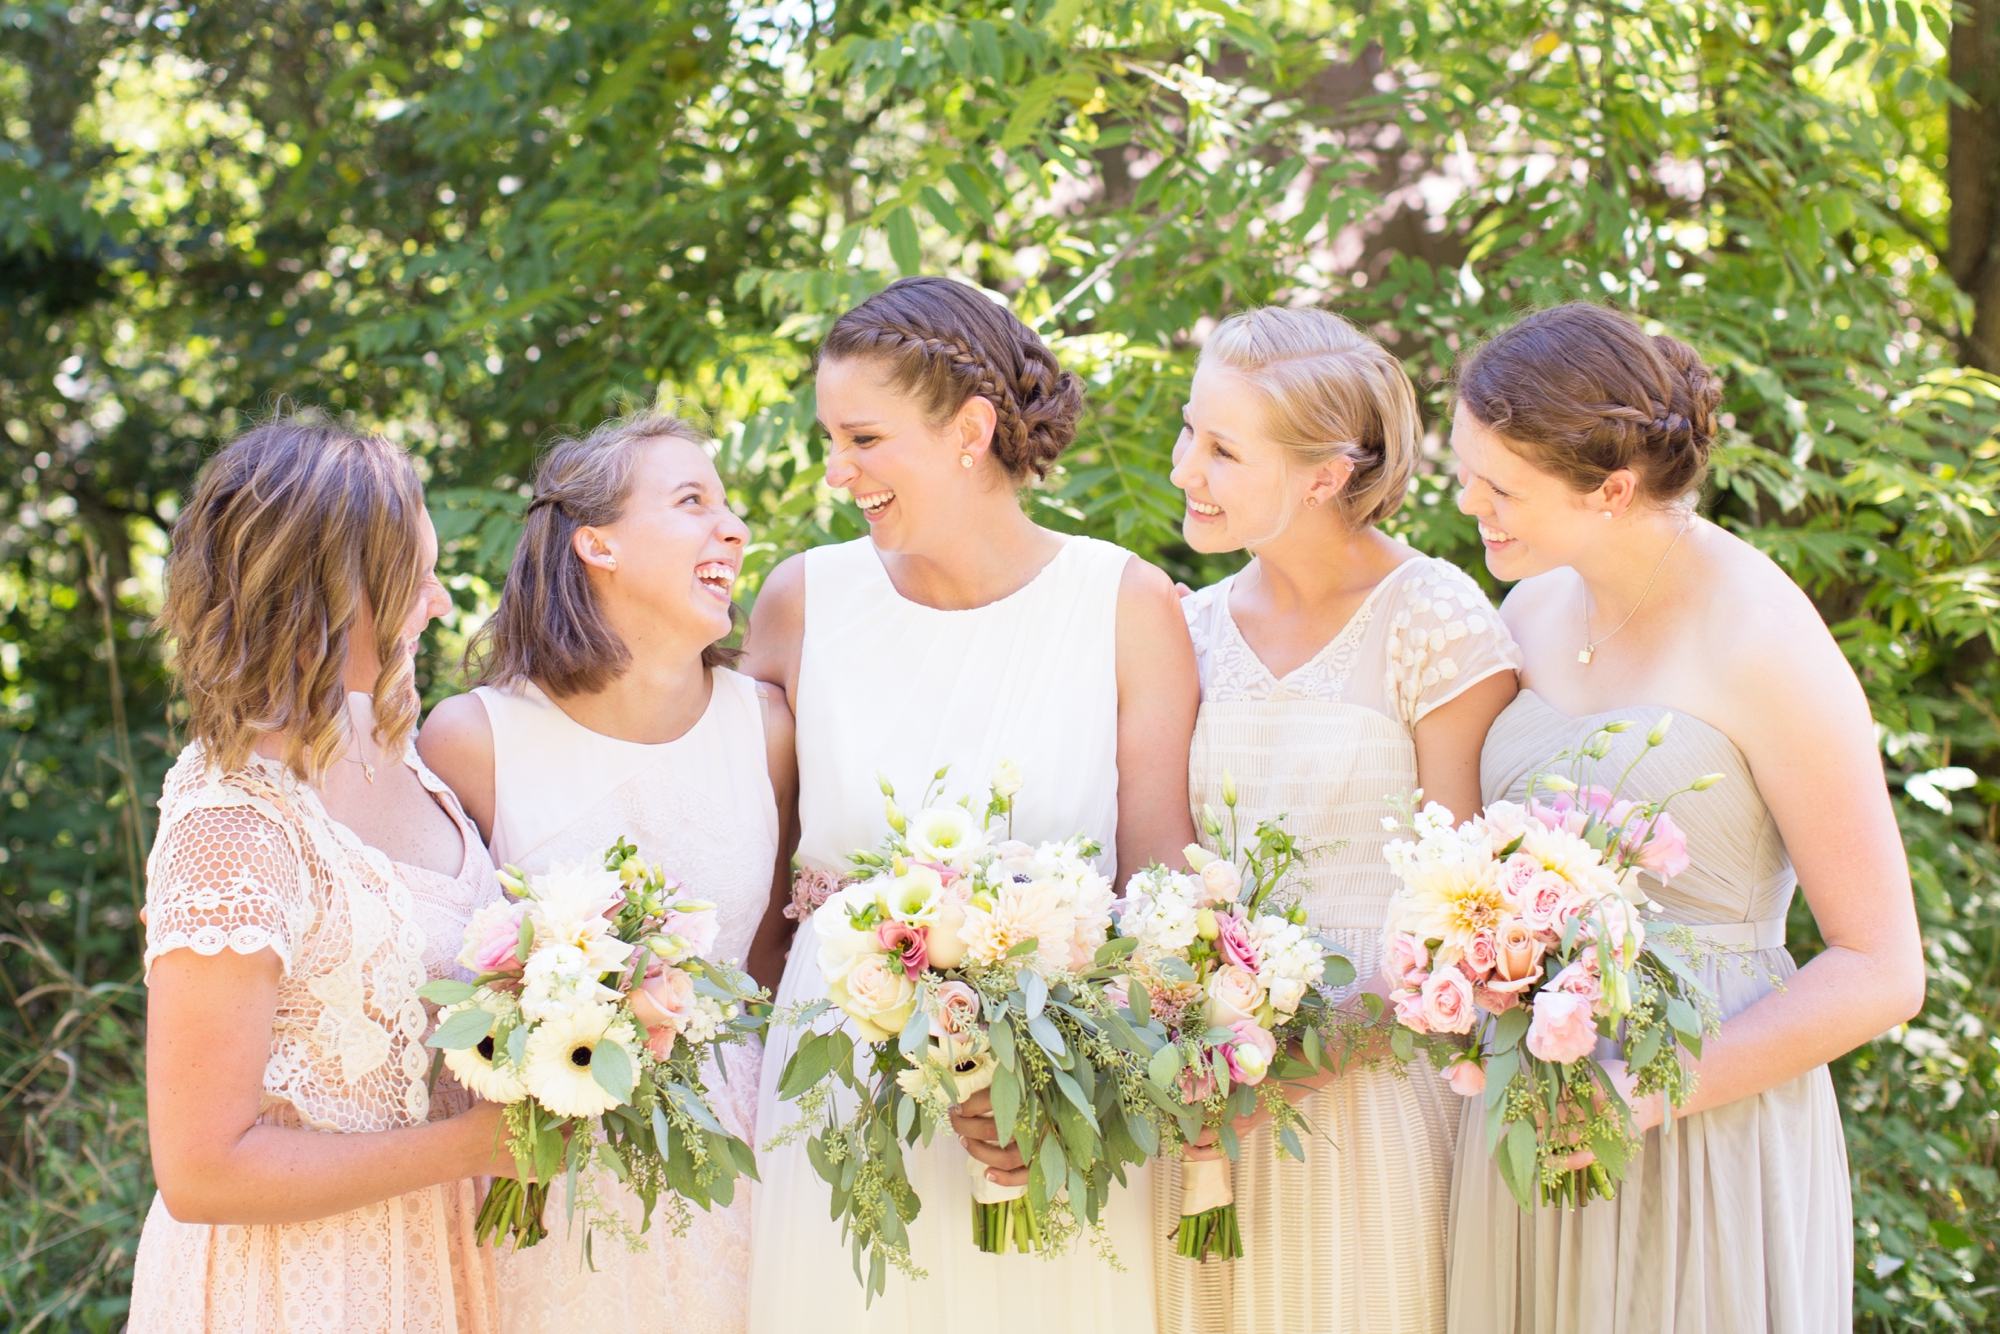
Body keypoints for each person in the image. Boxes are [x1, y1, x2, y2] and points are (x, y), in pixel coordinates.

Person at [1444, 302, 1926, 1332]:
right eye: (1463, 470)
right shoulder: (1528, 606)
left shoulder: (1761, 639)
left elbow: (1881, 968)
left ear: (1609, 489)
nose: (1467, 503)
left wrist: (1640, 1095)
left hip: (1702, 1116)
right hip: (1532, 1099)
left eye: (1498, 485)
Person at [741, 276, 1199, 1333]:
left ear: (970, 428)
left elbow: (1159, 875)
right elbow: (758, 891)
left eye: (862, 436)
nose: (835, 470)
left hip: (1051, 1075)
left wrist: (1087, 1065)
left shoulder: (1120, 600)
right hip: (840, 1072)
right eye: (829, 436)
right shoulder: (802, 598)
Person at [1158, 307, 1519, 1334]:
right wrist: (1196, 1043)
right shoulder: (1183, 627)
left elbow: (1458, 906)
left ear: (1324, 473)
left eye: (1223, 448)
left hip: (1373, 1082)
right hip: (1200, 1088)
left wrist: (1305, 1057)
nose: (1186, 467)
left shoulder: (1432, 619)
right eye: (1191, 430)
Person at [130, 413, 508, 1334]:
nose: (442, 604)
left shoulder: (401, 754)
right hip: (295, 1289)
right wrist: (470, 1148)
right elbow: (200, 1170)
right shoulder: (232, 825)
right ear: (338, 593)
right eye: (416, 578)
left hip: (433, 1265)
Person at [420, 411, 793, 1334]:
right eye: (692, 501)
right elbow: (434, 988)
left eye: (729, 505)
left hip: (743, 1168)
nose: (733, 529)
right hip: (545, 1177)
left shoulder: (770, 728)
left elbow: (784, 961)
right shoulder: (472, 739)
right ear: (598, 544)